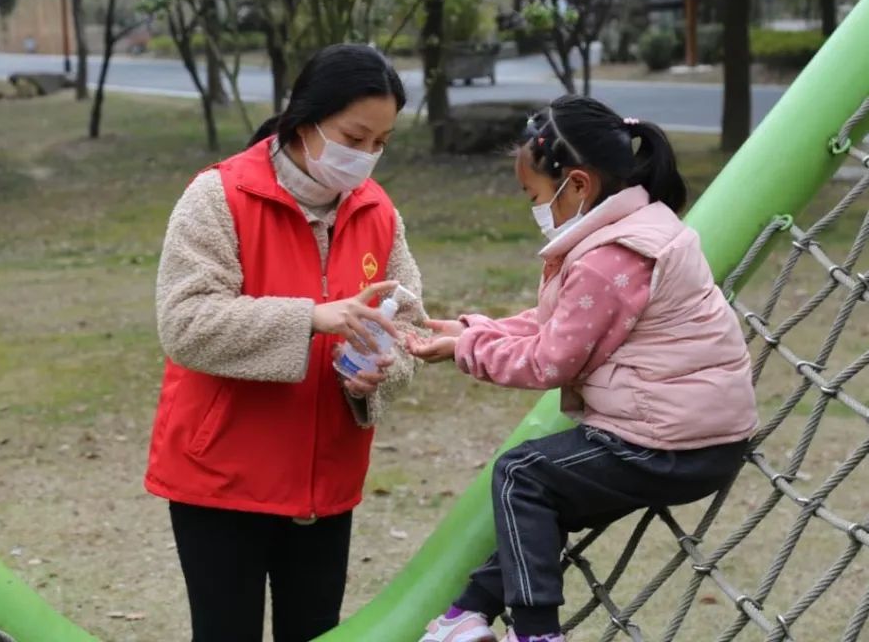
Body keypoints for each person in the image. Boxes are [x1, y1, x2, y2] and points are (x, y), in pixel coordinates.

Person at [407, 95, 757, 642]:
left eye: (536, 195)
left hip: (670, 443)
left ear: (577, 184)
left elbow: (552, 358)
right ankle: (470, 611)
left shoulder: (611, 256)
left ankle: (538, 632)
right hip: (697, 434)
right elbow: (561, 323)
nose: (535, 208)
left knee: (523, 475)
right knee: (549, 495)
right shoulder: (634, 230)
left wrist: (464, 352)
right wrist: (474, 330)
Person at [146, 43, 426, 642]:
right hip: (221, 479)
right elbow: (185, 323)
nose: (368, 157)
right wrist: (311, 319)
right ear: (305, 120)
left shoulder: (379, 212)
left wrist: (382, 368)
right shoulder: (217, 197)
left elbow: (410, 329)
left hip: (326, 483)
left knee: (316, 631)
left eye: (382, 143)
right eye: (356, 137)